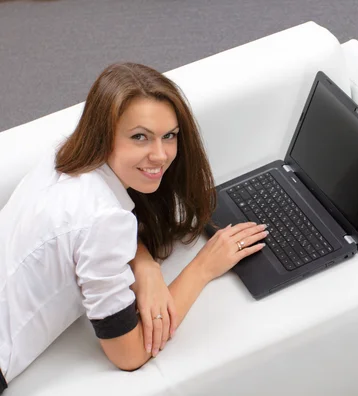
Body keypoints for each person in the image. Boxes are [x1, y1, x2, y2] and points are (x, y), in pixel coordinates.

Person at [0, 62, 267, 392]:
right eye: (140, 137)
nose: (160, 155)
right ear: (104, 133)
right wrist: (204, 267)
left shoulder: (65, 156)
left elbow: (90, 232)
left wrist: (145, 266)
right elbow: (130, 353)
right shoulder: (103, 220)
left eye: (169, 136)